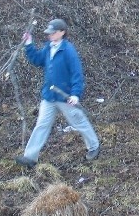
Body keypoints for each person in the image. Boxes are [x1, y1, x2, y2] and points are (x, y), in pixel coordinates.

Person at [15, 19, 100, 168]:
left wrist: (75, 94)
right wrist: (29, 44)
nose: (50, 35)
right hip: (49, 97)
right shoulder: (48, 47)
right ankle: (30, 158)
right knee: (41, 125)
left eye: (53, 33)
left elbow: (77, 74)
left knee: (78, 122)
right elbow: (37, 60)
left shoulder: (68, 50)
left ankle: (94, 146)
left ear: (62, 32)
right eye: (49, 33)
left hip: (65, 97)